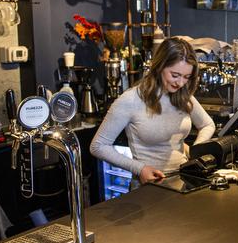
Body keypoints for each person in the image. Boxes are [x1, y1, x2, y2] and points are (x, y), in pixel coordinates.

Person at [90, 37, 215, 188]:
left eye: (187, 77)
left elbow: (207, 124)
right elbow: (98, 146)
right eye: (175, 75)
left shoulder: (183, 96)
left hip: (183, 182)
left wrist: (196, 151)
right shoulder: (131, 100)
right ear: (159, 67)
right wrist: (140, 168)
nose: (181, 83)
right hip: (148, 188)